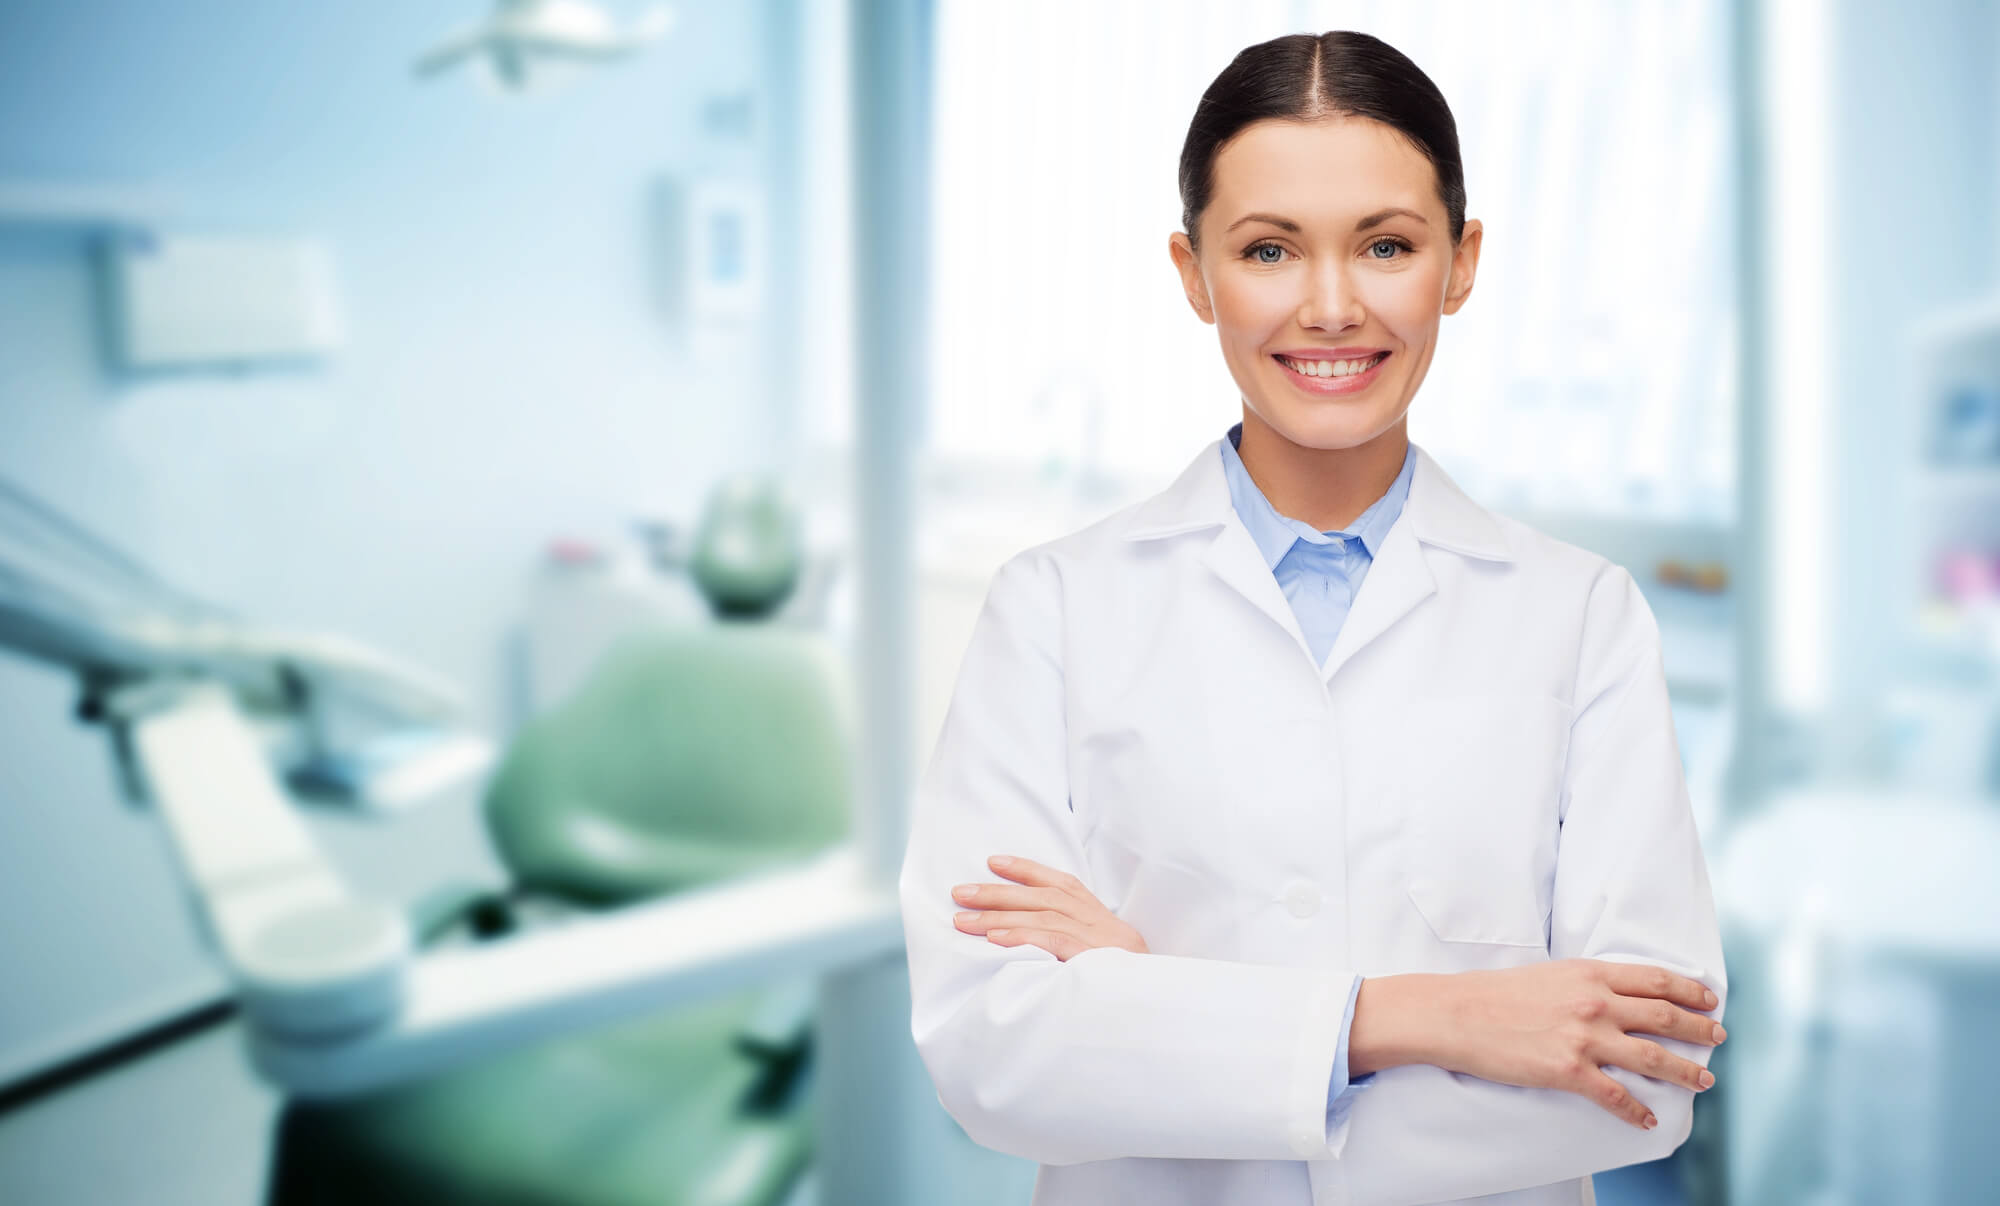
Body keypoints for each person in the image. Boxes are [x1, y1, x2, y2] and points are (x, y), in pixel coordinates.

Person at [898, 28, 1727, 1206]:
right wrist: (1426, 1017)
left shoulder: (1579, 618)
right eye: (1269, 249)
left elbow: (1647, 1077)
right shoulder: (1054, 608)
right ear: (1194, 274)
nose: (1330, 306)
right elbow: (992, 1056)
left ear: (1459, 262)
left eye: (1385, 245)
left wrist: (1150, 1013)